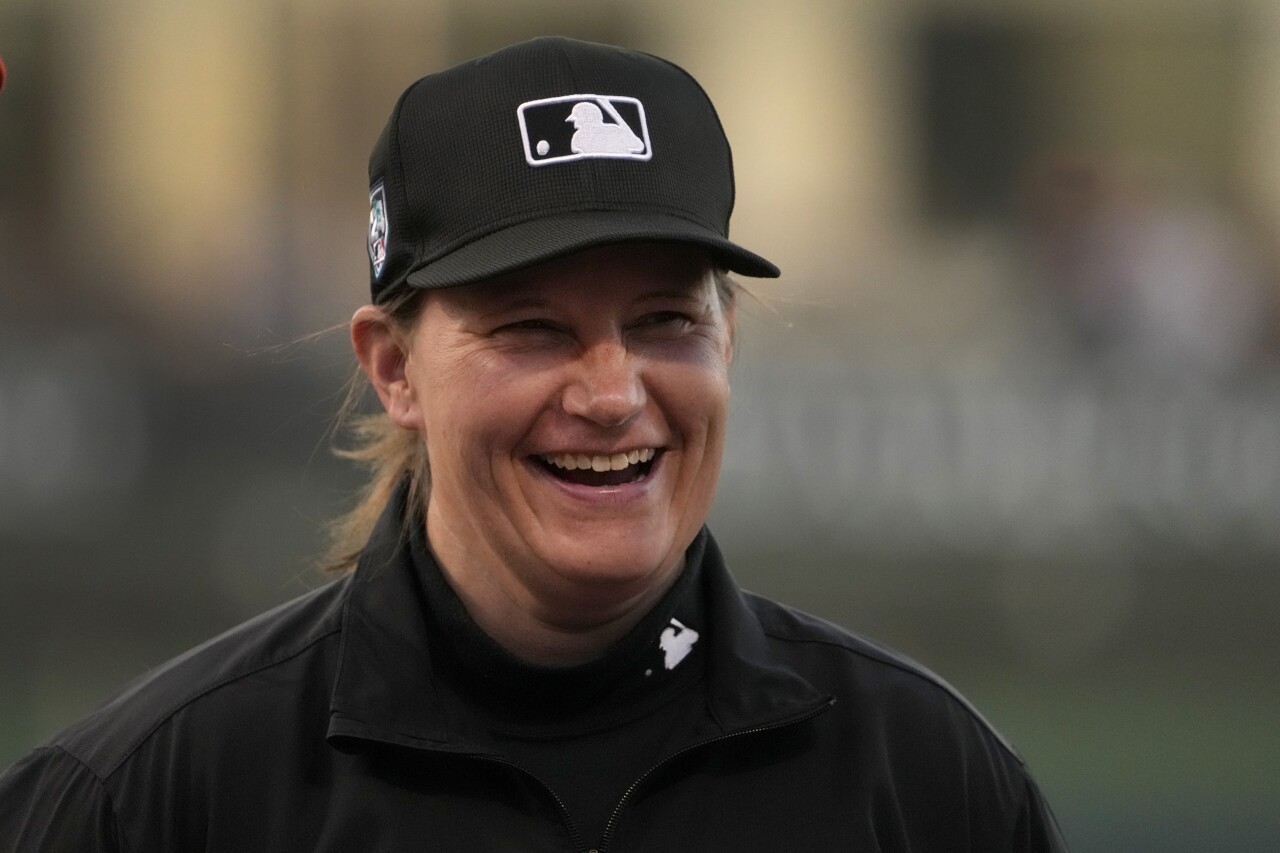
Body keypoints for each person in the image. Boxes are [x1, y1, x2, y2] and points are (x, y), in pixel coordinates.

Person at [0, 37, 1068, 851]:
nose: (611, 393)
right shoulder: (149, 798)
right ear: (393, 368)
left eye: (664, 321)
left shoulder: (923, 781)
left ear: (726, 341)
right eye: (531, 328)